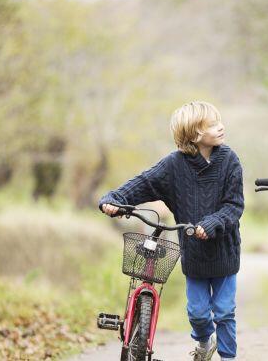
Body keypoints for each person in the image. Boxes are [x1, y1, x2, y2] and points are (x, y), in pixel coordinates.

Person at [99, 101, 243, 361]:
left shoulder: (230, 161)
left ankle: (228, 357)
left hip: (224, 253)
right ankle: (203, 343)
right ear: (194, 134)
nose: (221, 127)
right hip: (195, 255)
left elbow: (234, 206)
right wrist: (114, 198)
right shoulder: (174, 165)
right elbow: (143, 183)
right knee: (198, 313)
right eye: (212, 124)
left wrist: (210, 224)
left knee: (224, 312)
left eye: (219, 121)